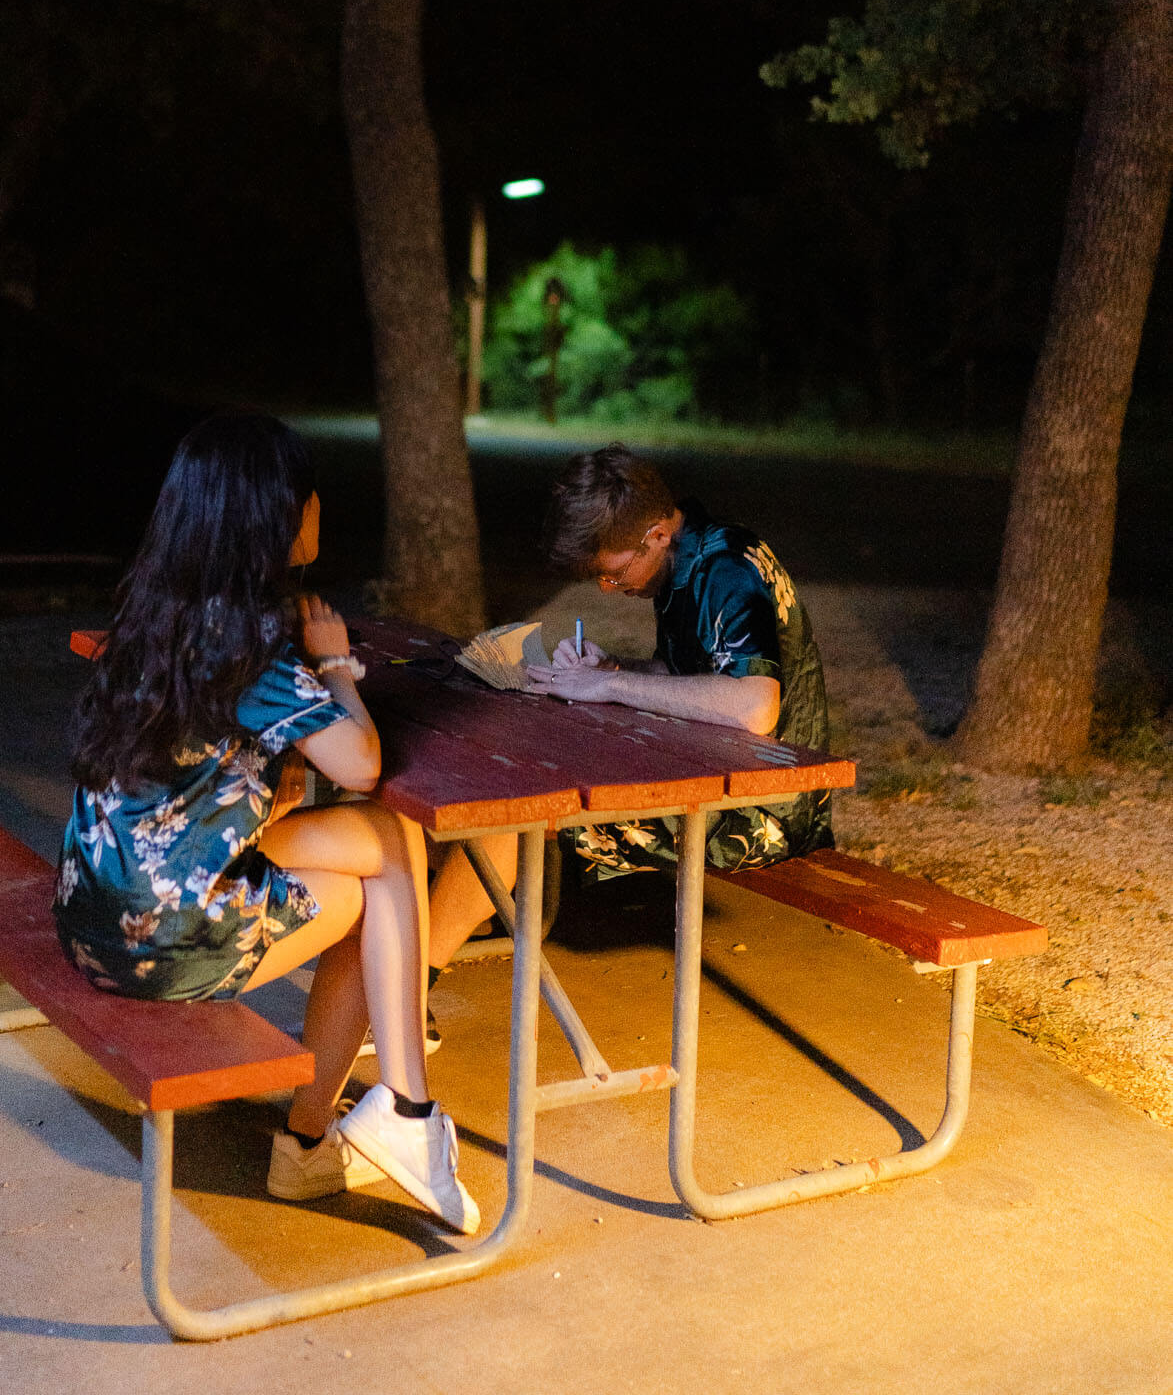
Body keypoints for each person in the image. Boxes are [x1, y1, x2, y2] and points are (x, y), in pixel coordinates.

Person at [52, 411, 478, 1234]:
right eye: (308, 495)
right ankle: (356, 1126)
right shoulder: (244, 640)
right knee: (380, 886)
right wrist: (337, 665)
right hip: (160, 937)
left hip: (93, 908)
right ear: (279, 516)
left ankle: (387, 1118)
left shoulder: (158, 608)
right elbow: (360, 763)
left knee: (389, 843)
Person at [424, 442, 833, 963]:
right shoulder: (688, 556)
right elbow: (688, 678)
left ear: (657, 534)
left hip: (766, 806)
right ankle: (447, 927)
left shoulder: (727, 569)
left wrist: (610, 688)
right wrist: (613, 669)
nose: (608, 588)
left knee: (519, 814)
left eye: (613, 575)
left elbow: (755, 707)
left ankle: (412, 980)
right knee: (494, 791)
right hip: (718, 772)